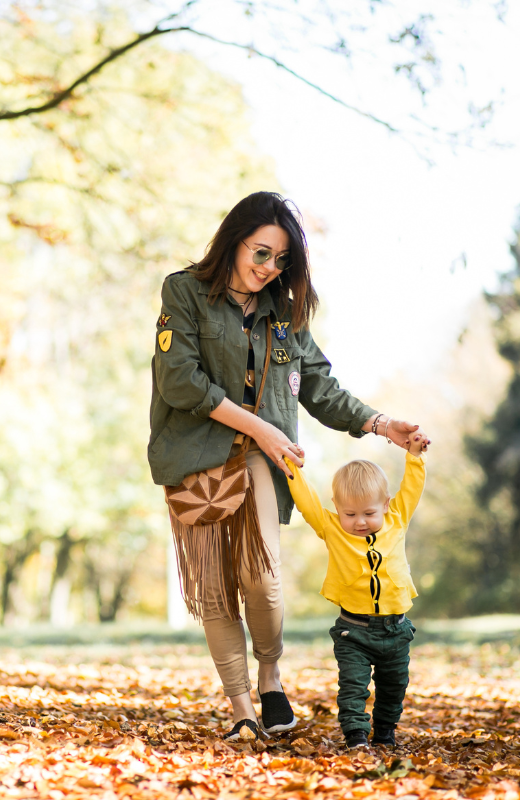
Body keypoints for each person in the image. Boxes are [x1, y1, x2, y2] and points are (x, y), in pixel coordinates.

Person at [148, 191, 429, 742]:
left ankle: (270, 673)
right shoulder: (183, 292)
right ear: (233, 242)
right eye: (260, 254)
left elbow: (320, 388)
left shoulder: (285, 312)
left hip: (259, 456)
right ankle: (241, 709)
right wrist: (257, 426)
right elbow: (178, 379)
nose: (269, 269)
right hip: (196, 455)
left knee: (264, 580)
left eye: (280, 260)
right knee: (213, 588)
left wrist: (381, 423)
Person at [284, 433, 429, 750]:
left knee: (394, 686)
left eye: (368, 513)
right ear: (337, 508)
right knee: (353, 686)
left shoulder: (397, 519)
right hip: (354, 631)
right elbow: (307, 501)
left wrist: (415, 457)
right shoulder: (332, 528)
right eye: (350, 514)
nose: (359, 522)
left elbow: (412, 488)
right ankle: (356, 736)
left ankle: (385, 734)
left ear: (385, 506)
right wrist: (291, 465)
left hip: (396, 629)